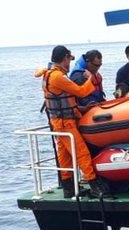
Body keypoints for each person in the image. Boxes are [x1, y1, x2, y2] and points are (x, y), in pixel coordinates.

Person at [36, 45, 107, 198]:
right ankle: (94, 185)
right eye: (68, 59)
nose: (69, 64)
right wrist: (89, 79)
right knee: (82, 152)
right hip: (64, 123)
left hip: (59, 121)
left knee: (65, 156)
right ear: (64, 59)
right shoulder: (57, 77)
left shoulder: (50, 74)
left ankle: (68, 187)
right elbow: (81, 91)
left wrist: (79, 109)